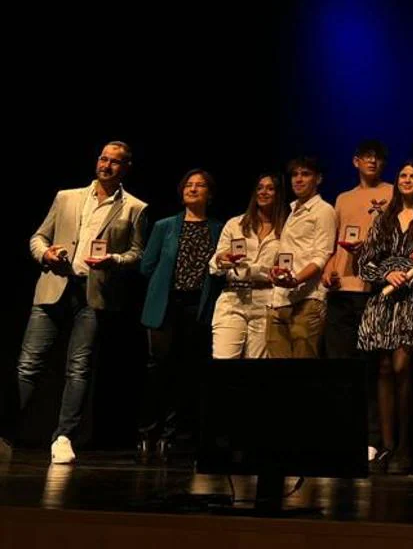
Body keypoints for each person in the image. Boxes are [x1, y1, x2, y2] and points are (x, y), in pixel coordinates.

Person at [12, 142, 148, 464]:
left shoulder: (134, 207)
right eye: (103, 158)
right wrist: (45, 253)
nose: (107, 165)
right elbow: (38, 237)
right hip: (54, 287)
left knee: (79, 368)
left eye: (115, 162)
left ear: (126, 167)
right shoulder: (67, 197)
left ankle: (63, 436)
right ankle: (7, 430)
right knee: (28, 364)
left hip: (92, 293)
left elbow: (137, 253)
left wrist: (113, 260)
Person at [356, 159, 413, 474]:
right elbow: (364, 263)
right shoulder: (383, 220)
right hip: (384, 302)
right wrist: (387, 272)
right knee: (382, 368)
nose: (408, 180)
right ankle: (387, 446)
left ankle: (406, 447)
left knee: (402, 366)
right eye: (403, 175)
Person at [137, 169, 222, 462]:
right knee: (158, 370)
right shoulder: (165, 226)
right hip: (166, 303)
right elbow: (147, 265)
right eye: (189, 184)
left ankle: (174, 436)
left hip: (197, 305)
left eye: (200, 185)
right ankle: (148, 432)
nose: (193, 189)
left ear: (210, 194)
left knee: (188, 372)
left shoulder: (218, 228)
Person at [323, 140, 392, 464]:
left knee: (369, 369)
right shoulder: (342, 198)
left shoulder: (392, 194)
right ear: (355, 161)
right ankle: (339, 433)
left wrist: (372, 247)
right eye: (367, 157)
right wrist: (328, 270)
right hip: (341, 290)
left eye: (378, 158)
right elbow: (333, 243)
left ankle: (371, 438)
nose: (372, 162)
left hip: (371, 290)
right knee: (339, 367)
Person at [210, 174, 288, 360]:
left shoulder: (286, 227)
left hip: (266, 302)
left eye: (270, 188)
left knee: (255, 370)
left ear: (278, 194)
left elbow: (286, 265)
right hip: (233, 298)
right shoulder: (235, 224)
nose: (264, 192)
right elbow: (215, 265)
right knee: (223, 359)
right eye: (260, 188)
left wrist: (272, 273)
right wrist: (222, 259)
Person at [268, 156, 336, 358]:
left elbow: (322, 255)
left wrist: (296, 279)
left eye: (305, 174)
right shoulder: (291, 210)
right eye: (295, 174)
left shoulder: (324, 211)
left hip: (307, 299)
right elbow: (290, 251)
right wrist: (276, 270)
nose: (298, 179)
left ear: (318, 179)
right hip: (280, 298)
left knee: (303, 372)